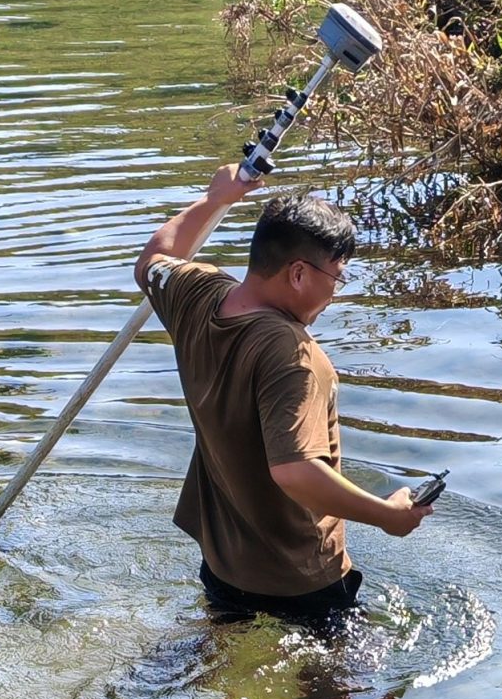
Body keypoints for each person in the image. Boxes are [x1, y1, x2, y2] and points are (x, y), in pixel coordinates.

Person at [134, 164, 433, 623]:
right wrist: (386, 515)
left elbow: (154, 258)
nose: (335, 293)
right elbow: (295, 472)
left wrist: (215, 199)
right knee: (354, 672)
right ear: (298, 274)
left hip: (223, 567)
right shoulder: (293, 355)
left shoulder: (196, 295)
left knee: (220, 653)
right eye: (336, 277)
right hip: (302, 580)